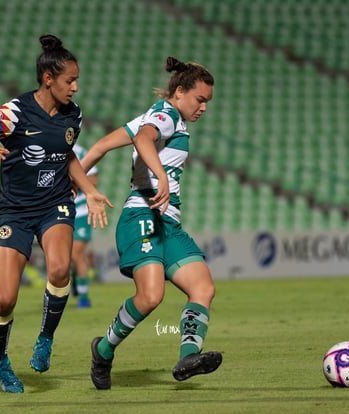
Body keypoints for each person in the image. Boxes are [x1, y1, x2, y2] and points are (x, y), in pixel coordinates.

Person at [0, 34, 112, 394]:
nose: (75, 87)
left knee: (61, 268)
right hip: (14, 211)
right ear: (49, 79)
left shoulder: (72, 116)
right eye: (69, 81)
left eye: (77, 80)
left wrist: (90, 190)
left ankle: (45, 338)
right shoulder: (12, 112)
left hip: (54, 204)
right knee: (4, 299)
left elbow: (68, 155)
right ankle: (1, 360)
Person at [81, 56, 222, 390]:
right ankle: (103, 350)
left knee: (202, 287)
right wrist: (159, 176)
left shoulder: (159, 115)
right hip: (142, 214)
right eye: (200, 99)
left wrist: (79, 178)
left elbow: (101, 145)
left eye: (207, 102)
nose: (203, 107)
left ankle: (189, 356)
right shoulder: (166, 115)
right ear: (180, 92)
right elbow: (143, 140)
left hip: (167, 222)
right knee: (150, 296)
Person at [71, 143, 98, 308]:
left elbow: (93, 180)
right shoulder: (49, 147)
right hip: (59, 212)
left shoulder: (80, 152)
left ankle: (84, 297)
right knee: (63, 257)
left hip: (80, 212)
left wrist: (72, 178)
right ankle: (76, 278)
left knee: (76, 253)